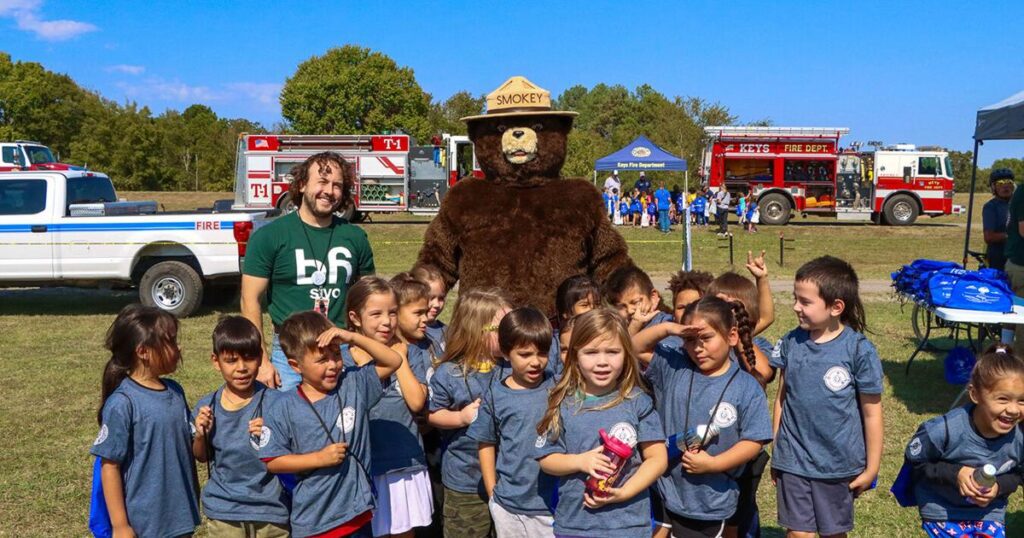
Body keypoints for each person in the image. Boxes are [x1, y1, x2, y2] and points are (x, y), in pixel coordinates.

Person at [258, 311, 402, 537]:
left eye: (336, 354)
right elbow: (273, 461)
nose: (333, 364)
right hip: (316, 522)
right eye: (322, 359)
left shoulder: (353, 383)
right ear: (295, 366)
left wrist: (352, 338)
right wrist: (319, 459)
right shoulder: (282, 406)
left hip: (358, 514)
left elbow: (394, 360)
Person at [242, 152, 376, 391]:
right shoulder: (270, 236)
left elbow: (369, 298)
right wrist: (262, 361)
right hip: (290, 352)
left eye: (337, 185)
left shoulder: (355, 236)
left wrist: (362, 345)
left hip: (341, 349)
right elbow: (249, 299)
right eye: (322, 182)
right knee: (290, 420)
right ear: (302, 184)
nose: (329, 191)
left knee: (347, 421)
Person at [770, 256, 883, 538]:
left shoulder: (858, 351)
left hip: (838, 464)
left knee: (833, 534)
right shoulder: (790, 343)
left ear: (836, 307)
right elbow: (782, 399)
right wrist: (777, 451)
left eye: (805, 302)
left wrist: (871, 468)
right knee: (799, 534)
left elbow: (872, 413)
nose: (796, 306)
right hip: (793, 460)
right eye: (795, 298)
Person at [535, 308, 668, 538]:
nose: (603, 362)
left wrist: (624, 493)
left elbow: (657, 459)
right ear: (575, 355)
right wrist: (580, 461)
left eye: (613, 351)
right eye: (591, 352)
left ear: (626, 354)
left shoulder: (637, 402)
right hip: (576, 526)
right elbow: (547, 460)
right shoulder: (561, 402)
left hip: (628, 526)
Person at [647, 296, 773, 538]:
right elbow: (634, 347)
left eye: (706, 338)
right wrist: (667, 328)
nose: (697, 348)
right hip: (665, 493)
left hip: (713, 502)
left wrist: (713, 464)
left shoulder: (746, 387)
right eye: (690, 340)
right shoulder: (675, 368)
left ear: (732, 336)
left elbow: (754, 441)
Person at [91, 305, 200, 538]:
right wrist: (120, 525)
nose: (178, 347)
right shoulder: (123, 403)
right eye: (170, 341)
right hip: (145, 524)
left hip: (180, 518)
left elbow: (192, 447)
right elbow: (109, 467)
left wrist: (202, 431)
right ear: (143, 352)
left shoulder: (176, 392)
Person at [341, 277, 433, 538]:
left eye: (392, 313)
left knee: (402, 533)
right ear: (355, 318)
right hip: (363, 467)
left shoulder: (411, 353)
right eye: (376, 314)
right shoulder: (343, 359)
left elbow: (416, 402)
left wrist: (398, 358)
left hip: (403, 462)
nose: (386, 321)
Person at [903, 344, 1024, 538]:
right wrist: (955, 473)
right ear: (974, 394)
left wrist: (998, 487)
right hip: (942, 511)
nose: (1013, 409)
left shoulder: (1020, 437)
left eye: (1022, 400)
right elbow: (916, 463)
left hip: (988, 514)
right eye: (1003, 399)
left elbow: (1019, 474)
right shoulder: (944, 430)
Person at [192, 316, 290, 537]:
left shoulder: (277, 403)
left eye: (249, 358)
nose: (242, 368)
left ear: (260, 358)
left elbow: (292, 452)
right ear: (216, 362)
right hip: (225, 512)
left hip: (270, 511)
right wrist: (200, 434)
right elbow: (202, 457)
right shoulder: (207, 406)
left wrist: (271, 435)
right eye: (231, 360)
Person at [427, 289, 513, 538]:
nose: (509, 334)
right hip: (465, 481)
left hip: (507, 478)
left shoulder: (511, 368)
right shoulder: (450, 373)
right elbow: (432, 415)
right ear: (476, 331)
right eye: (501, 329)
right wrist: (460, 418)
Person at [468, 307, 559, 538]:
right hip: (509, 505)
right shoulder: (495, 394)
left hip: (552, 504)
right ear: (507, 353)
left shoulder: (558, 388)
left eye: (542, 353)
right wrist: (492, 494)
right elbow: (486, 442)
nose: (536, 362)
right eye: (525, 354)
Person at [603, 265, 675, 336]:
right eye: (621, 306)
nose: (630, 310)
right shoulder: (612, 332)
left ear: (653, 298)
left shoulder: (667, 327)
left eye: (636, 302)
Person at [411, 264, 449, 356]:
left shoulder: (447, 331)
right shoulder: (412, 333)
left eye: (441, 298)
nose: (436, 304)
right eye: (430, 298)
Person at [983, 169, 1015, 272]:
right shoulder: (991, 207)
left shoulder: (1019, 203)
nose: (1005, 186)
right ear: (993, 187)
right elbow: (989, 237)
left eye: (1009, 182)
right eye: (1000, 183)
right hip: (999, 258)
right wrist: (1014, 236)